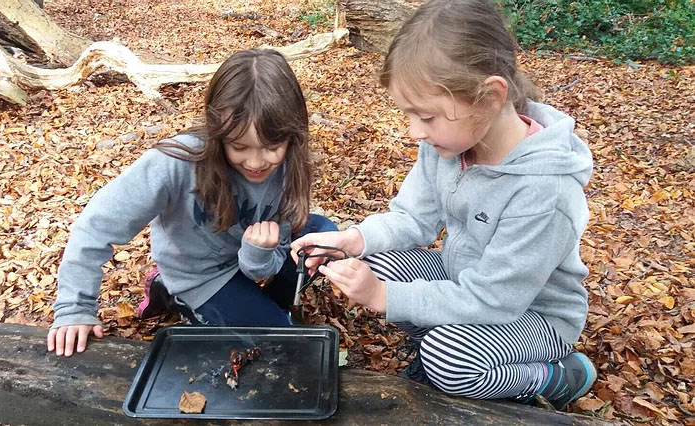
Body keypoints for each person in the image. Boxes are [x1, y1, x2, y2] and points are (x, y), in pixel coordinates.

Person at [291, 0, 596, 411]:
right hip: (464, 276)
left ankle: (557, 376)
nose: (416, 132)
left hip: (534, 314)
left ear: (490, 96)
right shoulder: (451, 144)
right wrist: (351, 240)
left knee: (448, 359)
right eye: (409, 115)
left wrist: (384, 296)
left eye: (427, 117)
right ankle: (434, 350)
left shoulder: (545, 192)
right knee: (377, 261)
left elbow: (494, 299)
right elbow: (412, 219)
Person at [47, 49, 336, 357]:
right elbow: (96, 227)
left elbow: (266, 261)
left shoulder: (289, 163)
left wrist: (258, 256)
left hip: (248, 254)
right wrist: (74, 307)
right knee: (282, 345)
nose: (255, 162)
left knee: (324, 234)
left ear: (293, 137)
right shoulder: (174, 163)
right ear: (217, 130)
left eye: (271, 147)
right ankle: (180, 295)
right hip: (203, 274)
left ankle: (263, 308)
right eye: (238, 146)